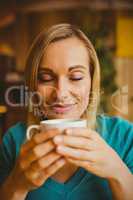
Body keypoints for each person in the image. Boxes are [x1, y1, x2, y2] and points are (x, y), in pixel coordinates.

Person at [0, 23, 133, 200]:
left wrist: (118, 173)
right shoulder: (13, 142)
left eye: (76, 77)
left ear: (92, 81)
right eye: (46, 78)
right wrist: (17, 185)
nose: (61, 93)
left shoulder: (124, 136)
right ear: (32, 84)